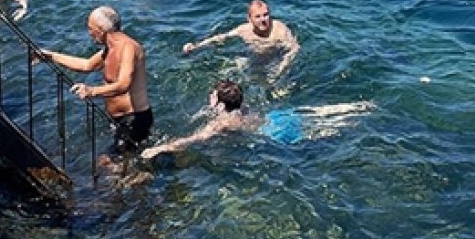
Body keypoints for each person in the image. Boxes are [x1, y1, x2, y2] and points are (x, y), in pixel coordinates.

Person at [140, 80, 374, 158]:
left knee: (320, 132)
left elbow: (194, 139)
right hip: (277, 117)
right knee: (316, 115)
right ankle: (355, 108)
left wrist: (161, 148)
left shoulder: (221, 122)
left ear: (220, 104)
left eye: (213, 96)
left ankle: (352, 123)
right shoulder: (242, 106)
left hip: (273, 134)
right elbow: (231, 100)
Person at [36, 6, 153, 153]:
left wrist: (92, 91)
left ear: (101, 29)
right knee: (120, 162)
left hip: (134, 119)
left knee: (114, 166)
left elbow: (124, 84)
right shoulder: (109, 48)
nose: (89, 33)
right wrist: (51, 56)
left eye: (90, 28)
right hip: (118, 120)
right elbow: (86, 65)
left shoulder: (128, 47)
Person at [182, 0, 300, 81]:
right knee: (236, 73)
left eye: (266, 14)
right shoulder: (244, 30)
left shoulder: (279, 29)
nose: (263, 19)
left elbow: (294, 49)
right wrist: (196, 46)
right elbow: (220, 38)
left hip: (276, 58)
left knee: (280, 83)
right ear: (249, 19)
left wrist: (281, 68)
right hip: (255, 58)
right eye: (258, 16)